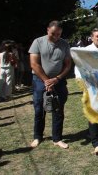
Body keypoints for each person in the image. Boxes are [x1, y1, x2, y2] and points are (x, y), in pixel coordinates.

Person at [29, 21, 72, 149]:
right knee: (39, 110)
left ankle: (57, 138)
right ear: (48, 29)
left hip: (58, 81)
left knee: (58, 110)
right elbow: (34, 64)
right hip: (39, 80)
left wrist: (57, 79)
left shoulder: (64, 44)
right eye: (53, 33)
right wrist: (47, 80)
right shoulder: (38, 42)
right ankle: (38, 136)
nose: (56, 37)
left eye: (59, 34)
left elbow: (68, 64)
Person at [84, 29, 98, 154]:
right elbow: (79, 68)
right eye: (97, 36)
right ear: (92, 38)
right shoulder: (85, 51)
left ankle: (92, 133)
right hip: (90, 87)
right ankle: (96, 143)